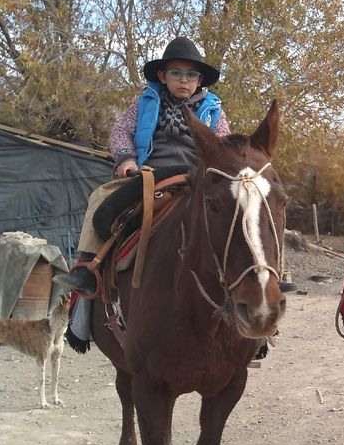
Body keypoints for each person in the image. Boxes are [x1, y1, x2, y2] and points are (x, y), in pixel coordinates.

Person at [55, 36, 230, 294]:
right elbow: (120, 130)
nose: (184, 80)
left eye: (191, 74)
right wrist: (126, 158)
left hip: (197, 178)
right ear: (162, 75)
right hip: (149, 175)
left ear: (200, 80)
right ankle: (88, 268)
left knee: (250, 205)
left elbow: (224, 143)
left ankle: (262, 275)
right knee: (99, 198)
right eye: (176, 73)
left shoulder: (214, 110)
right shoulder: (146, 102)